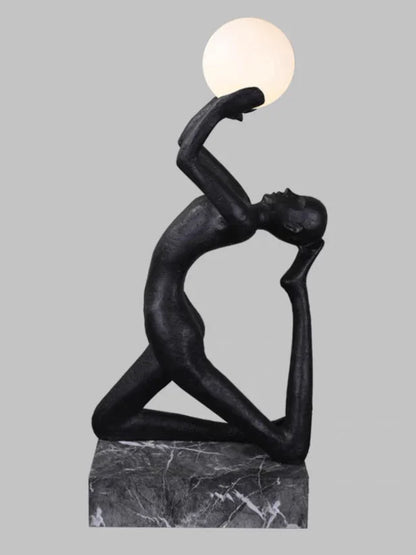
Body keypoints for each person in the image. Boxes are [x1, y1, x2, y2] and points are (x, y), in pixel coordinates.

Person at [92, 87, 327, 463]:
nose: (289, 191)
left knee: (290, 447)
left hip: (172, 329)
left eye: (297, 202)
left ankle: (296, 288)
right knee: (108, 421)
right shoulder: (240, 201)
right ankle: (247, 432)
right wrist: (218, 105)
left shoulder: (241, 218)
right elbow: (188, 142)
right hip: (175, 315)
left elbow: (185, 158)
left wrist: (220, 108)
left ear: (293, 227)